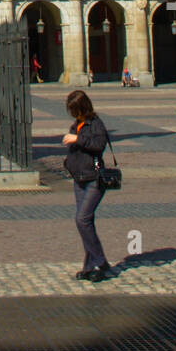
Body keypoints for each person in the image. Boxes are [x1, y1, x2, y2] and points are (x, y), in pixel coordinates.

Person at [62, 89, 112, 282]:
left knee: (82, 219)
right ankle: (90, 265)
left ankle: (101, 262)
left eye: (73, 109)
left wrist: (77, 139)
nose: (71, 113)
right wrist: (68, 163)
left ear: (82, 108)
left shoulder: (96, 124)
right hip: (80, 179)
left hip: (94, 179)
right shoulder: (77, 124)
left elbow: (99, 145)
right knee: (86, 223)